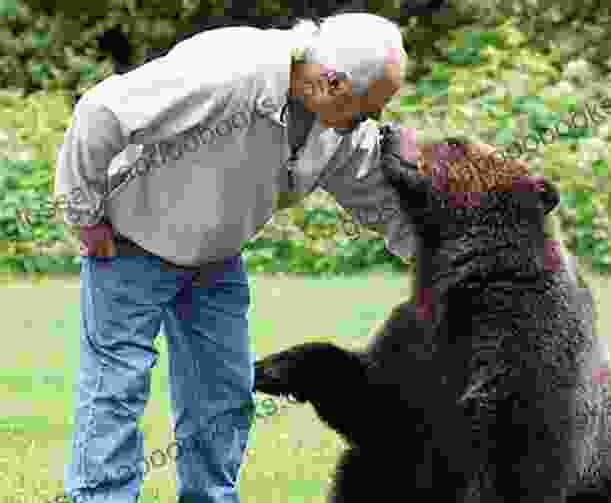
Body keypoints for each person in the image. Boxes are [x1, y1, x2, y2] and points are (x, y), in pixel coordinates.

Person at [54, 12, 417, 503]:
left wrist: (452, 268)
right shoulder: (229, 69)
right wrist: (84, 214)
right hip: (129, 244)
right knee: (115, 391)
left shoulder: (337, 129)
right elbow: (100, 114)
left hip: (216, 258)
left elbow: (381, 203)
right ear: (332, 83)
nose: (368, 124)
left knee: (223, 398)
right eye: (365, 111)